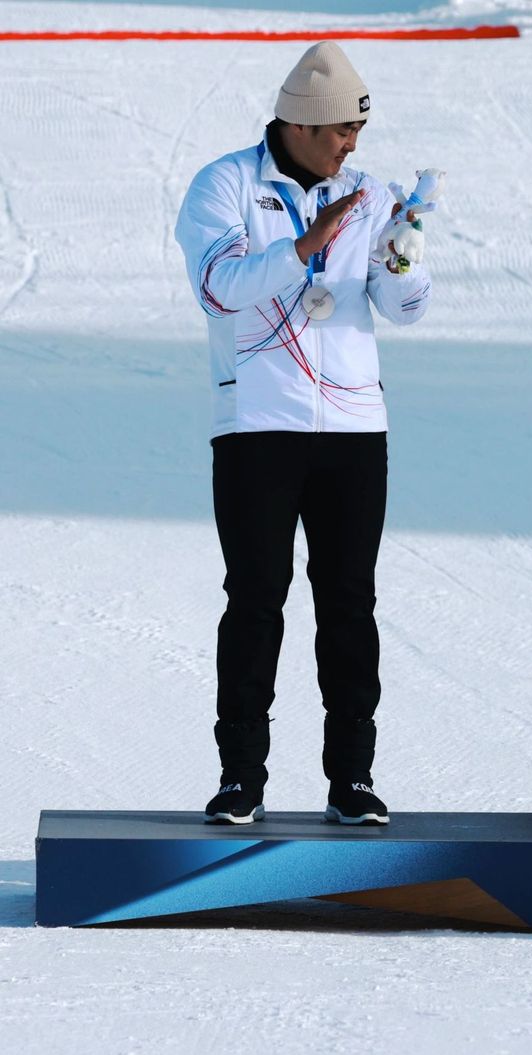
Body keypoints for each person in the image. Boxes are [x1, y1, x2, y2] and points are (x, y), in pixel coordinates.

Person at [174, 42, 436, 825]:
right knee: (256, 598)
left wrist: (402, 261)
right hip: (259, 423)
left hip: (355, 426)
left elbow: (407, 310)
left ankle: (351, 778)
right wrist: (303, 247)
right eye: (338, 133)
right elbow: (221, 289)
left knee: (349, 602)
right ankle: (239, 778)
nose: (351, 146)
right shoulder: (223, 185)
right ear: (297, 124)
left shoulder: (368, 192)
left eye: (358, 131)